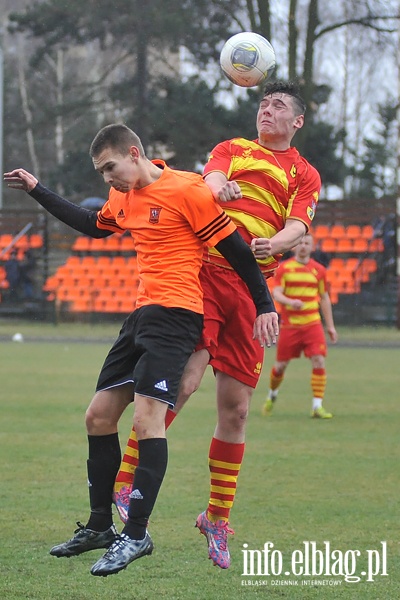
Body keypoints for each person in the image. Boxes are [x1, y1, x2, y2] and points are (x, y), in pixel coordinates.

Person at [4, 124, 278, 578]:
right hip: (141, 317)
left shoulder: (189, 190)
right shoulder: (122, 197)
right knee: (97, 416)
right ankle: (99, 528)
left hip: (177, 317)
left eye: (110, 167)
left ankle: (137, 533)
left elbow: (236, 252)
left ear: (134, 154)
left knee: (149, 419)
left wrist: (264, 305)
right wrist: (38, 190)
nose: (106, 178)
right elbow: (92, 227)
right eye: (101, 172)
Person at [114, 80, 321, 568]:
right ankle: (125, 480)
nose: (266, 110)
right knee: (182, 382)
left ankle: (217, 517)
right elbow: (208, 180)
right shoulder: (233, 149)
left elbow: (299, 224)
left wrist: (281, 242)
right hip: (205, 276)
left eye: (278, 106)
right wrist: (218, 188)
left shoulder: (305, 174)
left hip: (253, 294)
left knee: (237, 410)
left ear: (297, 122)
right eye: (263, 103)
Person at [261, 232, 338, 418]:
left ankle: (317, 406)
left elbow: (324, 298)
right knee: (280, 366)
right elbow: (276, 293)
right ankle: (272, 395)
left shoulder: (319, 270)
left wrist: (330, 326)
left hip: (312, 324)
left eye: (307, 243)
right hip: (290, 326)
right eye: (301, 242)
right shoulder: (285, 268)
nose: (303, 246)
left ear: (312, 247)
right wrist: (289, 301)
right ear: (295, 246)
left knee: (319, 360)